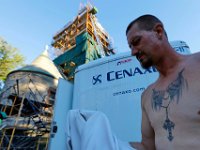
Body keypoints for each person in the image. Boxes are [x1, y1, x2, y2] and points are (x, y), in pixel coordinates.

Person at [126, 14, 200, 150]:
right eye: (130, 46)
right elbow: (148, 147)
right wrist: (109, 142)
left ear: (158, 31)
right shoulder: (147, 96)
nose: (133, 52)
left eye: (136, 41)